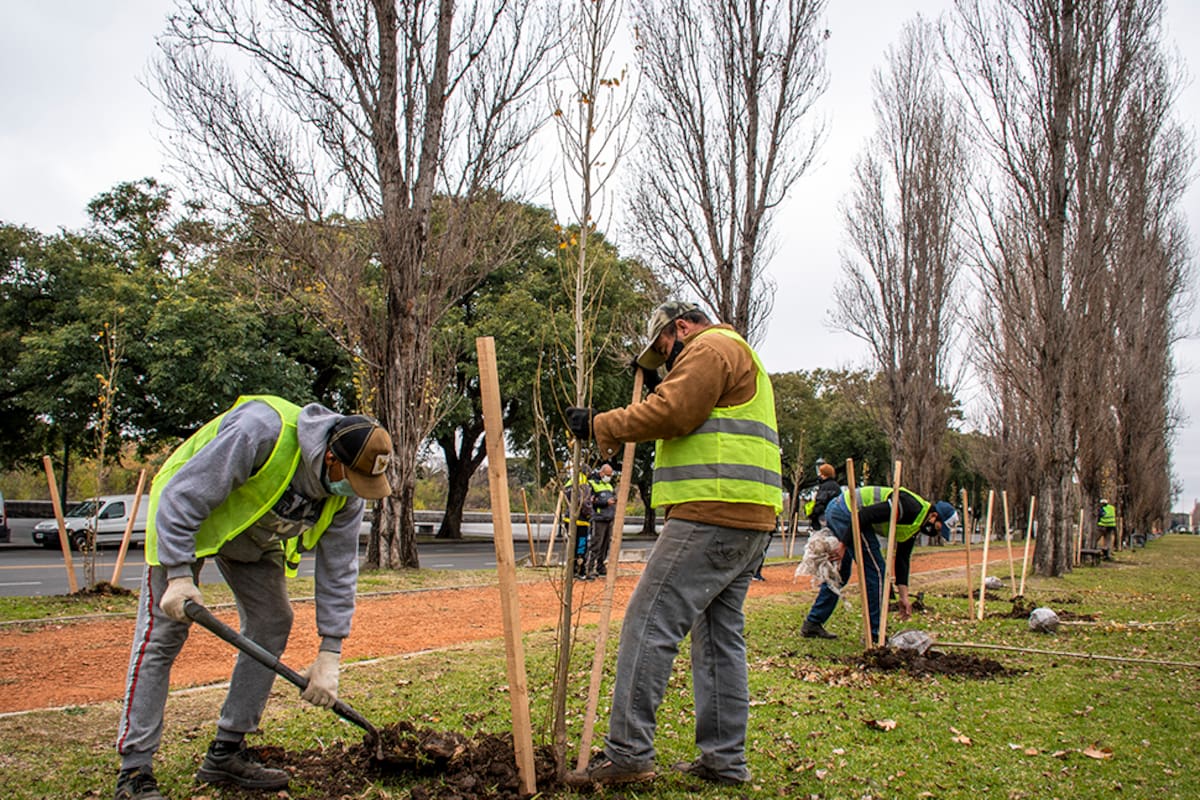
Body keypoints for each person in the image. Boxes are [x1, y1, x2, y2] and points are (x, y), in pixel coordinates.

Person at [113, 395, 392, 800]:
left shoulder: (348, 493)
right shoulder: (263, 431)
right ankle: (135, 769)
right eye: (352, 478)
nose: (353, 491)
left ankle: (226, 752)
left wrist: (331, 651)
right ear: (331, 457)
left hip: (253, 537)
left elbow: (340, 567)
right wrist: (177, 574)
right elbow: (182, 496)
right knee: (164, 635)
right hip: (187, 519)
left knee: (273, 621)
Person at [565, 300, 782, 787]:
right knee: (718, 637)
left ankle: (628, 753)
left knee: (648, 622)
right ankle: (725, 761)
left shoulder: (710, 348)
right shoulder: (741, 353)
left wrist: (600, 425)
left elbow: (673, 412)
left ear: (680, 327)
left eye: (663, 347)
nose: (664, 362)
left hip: (713, 512)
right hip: (750, 518)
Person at [801, 486, 956, 642]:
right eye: (938, 528)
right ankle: (874, 633)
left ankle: (813, 623)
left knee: (841, 573)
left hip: (841, 510)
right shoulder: (909, 508)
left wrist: (904, 597)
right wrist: (842, 545)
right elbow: (864, 515)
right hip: (847, 512)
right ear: (934, 516)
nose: (937, 533)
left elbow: (902, 559)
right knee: (877, 572)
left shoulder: (917, 522)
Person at [584, 463, 617, 578]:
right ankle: (589, 567)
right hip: (598, 518)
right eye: (607, 474)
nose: (609, 477)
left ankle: (600, 566)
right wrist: (604, 503)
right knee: (595, 544)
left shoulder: (609, 486)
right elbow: (590, 501)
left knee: (605, 545)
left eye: (610, 475)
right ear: (602, 473)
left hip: (609, 518)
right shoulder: (592, 484)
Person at [564, 469, 594, 579]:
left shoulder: (569, 483)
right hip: (581, 521)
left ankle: (571, 570)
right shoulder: (584, 484)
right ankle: (580, 570)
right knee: (581, 546)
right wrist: (590, 514)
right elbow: (585, 503)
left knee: (572, 545)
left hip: (569, 519)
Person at [808, 462, 841, 531]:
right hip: (835, 516)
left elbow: (821, 503)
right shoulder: (836, 486)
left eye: (821, 473)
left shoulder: (825, 486)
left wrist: (812, 515)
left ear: (824, 474)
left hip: (824, 517)